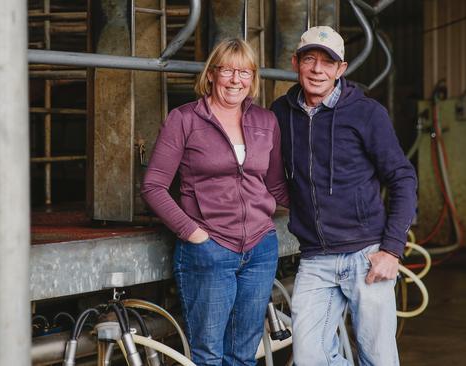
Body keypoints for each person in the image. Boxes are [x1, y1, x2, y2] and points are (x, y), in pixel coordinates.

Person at [270, 26, 417, 365]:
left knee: (377, 356)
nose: (317, 69)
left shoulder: (366, 113)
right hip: (315, 258)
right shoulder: (281, 113)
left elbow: (403, 178)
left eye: (328, 62)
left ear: (341, 69)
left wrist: (392, 249)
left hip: (367, 255)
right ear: (296, 63)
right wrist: (301, 208)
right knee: (308, 356)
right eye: (310, 59)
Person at [141, 38, 289, 366]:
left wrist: (326, 208)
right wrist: (194, 234)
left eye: (245, 72)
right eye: (227, 71)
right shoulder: (184, 120)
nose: (236, 80)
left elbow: (276, 185)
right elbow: (153, 187)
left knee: (244, 355)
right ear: (211, 74)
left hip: (260, 248)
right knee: (208, 356)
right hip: (210, 250)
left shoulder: (266, 121)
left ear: (253, 78)